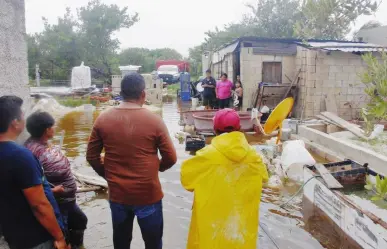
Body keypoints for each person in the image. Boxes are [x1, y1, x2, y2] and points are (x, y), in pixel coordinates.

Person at [86, 73, 177, 249]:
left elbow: (91, 156)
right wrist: (156, 168)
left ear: (121, 93)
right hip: (148, 193)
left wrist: (108, 176)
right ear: (143, 94)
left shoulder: (102, 119)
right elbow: (171, 158)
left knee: (121, 242)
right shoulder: (155, 121)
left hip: (118, 194)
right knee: (153, 243)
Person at [180, 109, 268, 249]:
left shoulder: (205, 156)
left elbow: (186, 180)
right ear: (239, 129)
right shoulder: (254, 157)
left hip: (211, 232)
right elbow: (264, 178)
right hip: (240, 234)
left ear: (214, 130)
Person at [0, 96, 68, 249]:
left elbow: (12, 190)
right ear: (15, 123)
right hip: (35, 237)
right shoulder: (20, 156)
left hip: (12, 232)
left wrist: (49, 191)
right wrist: (59, 237)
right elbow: (39, 205)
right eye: (22, 115)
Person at [25, 111, 88, 249]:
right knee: (62, 233)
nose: (54, 128)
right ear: (47, 129)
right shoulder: (32, 152)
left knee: (80, 221)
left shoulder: (41, 144)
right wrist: (53, 191)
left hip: (67, 200)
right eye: (52, 126)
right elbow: (32, 182)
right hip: (57, 203)